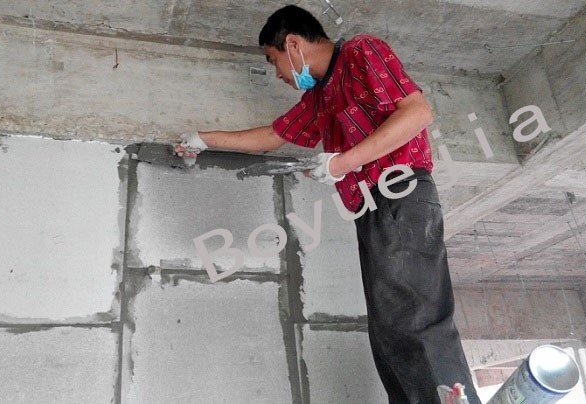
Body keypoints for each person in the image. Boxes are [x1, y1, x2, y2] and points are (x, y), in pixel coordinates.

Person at [175, 5, 481, 404]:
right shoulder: (320, 98)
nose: (279, 74)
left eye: (274, 61)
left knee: (415, 318)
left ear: (293, 44)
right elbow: (273, 135)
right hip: (371, 211)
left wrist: (343, 162)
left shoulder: (362, 52)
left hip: (401, 193)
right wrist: (203, 138)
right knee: (388, 331)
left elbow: (417, 112)